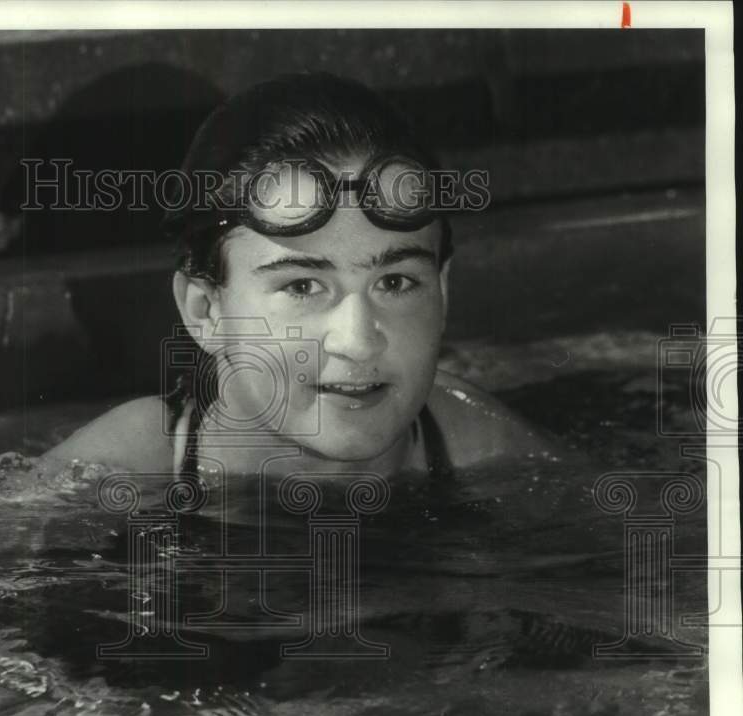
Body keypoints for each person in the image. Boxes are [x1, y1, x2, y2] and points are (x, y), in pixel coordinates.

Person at [42, 72, 556, 479]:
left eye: (395, 282)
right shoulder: (123, 470)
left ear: (442, 289)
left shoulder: (493, 455)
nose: (357, 343)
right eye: (302, 286)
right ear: (205, 310)